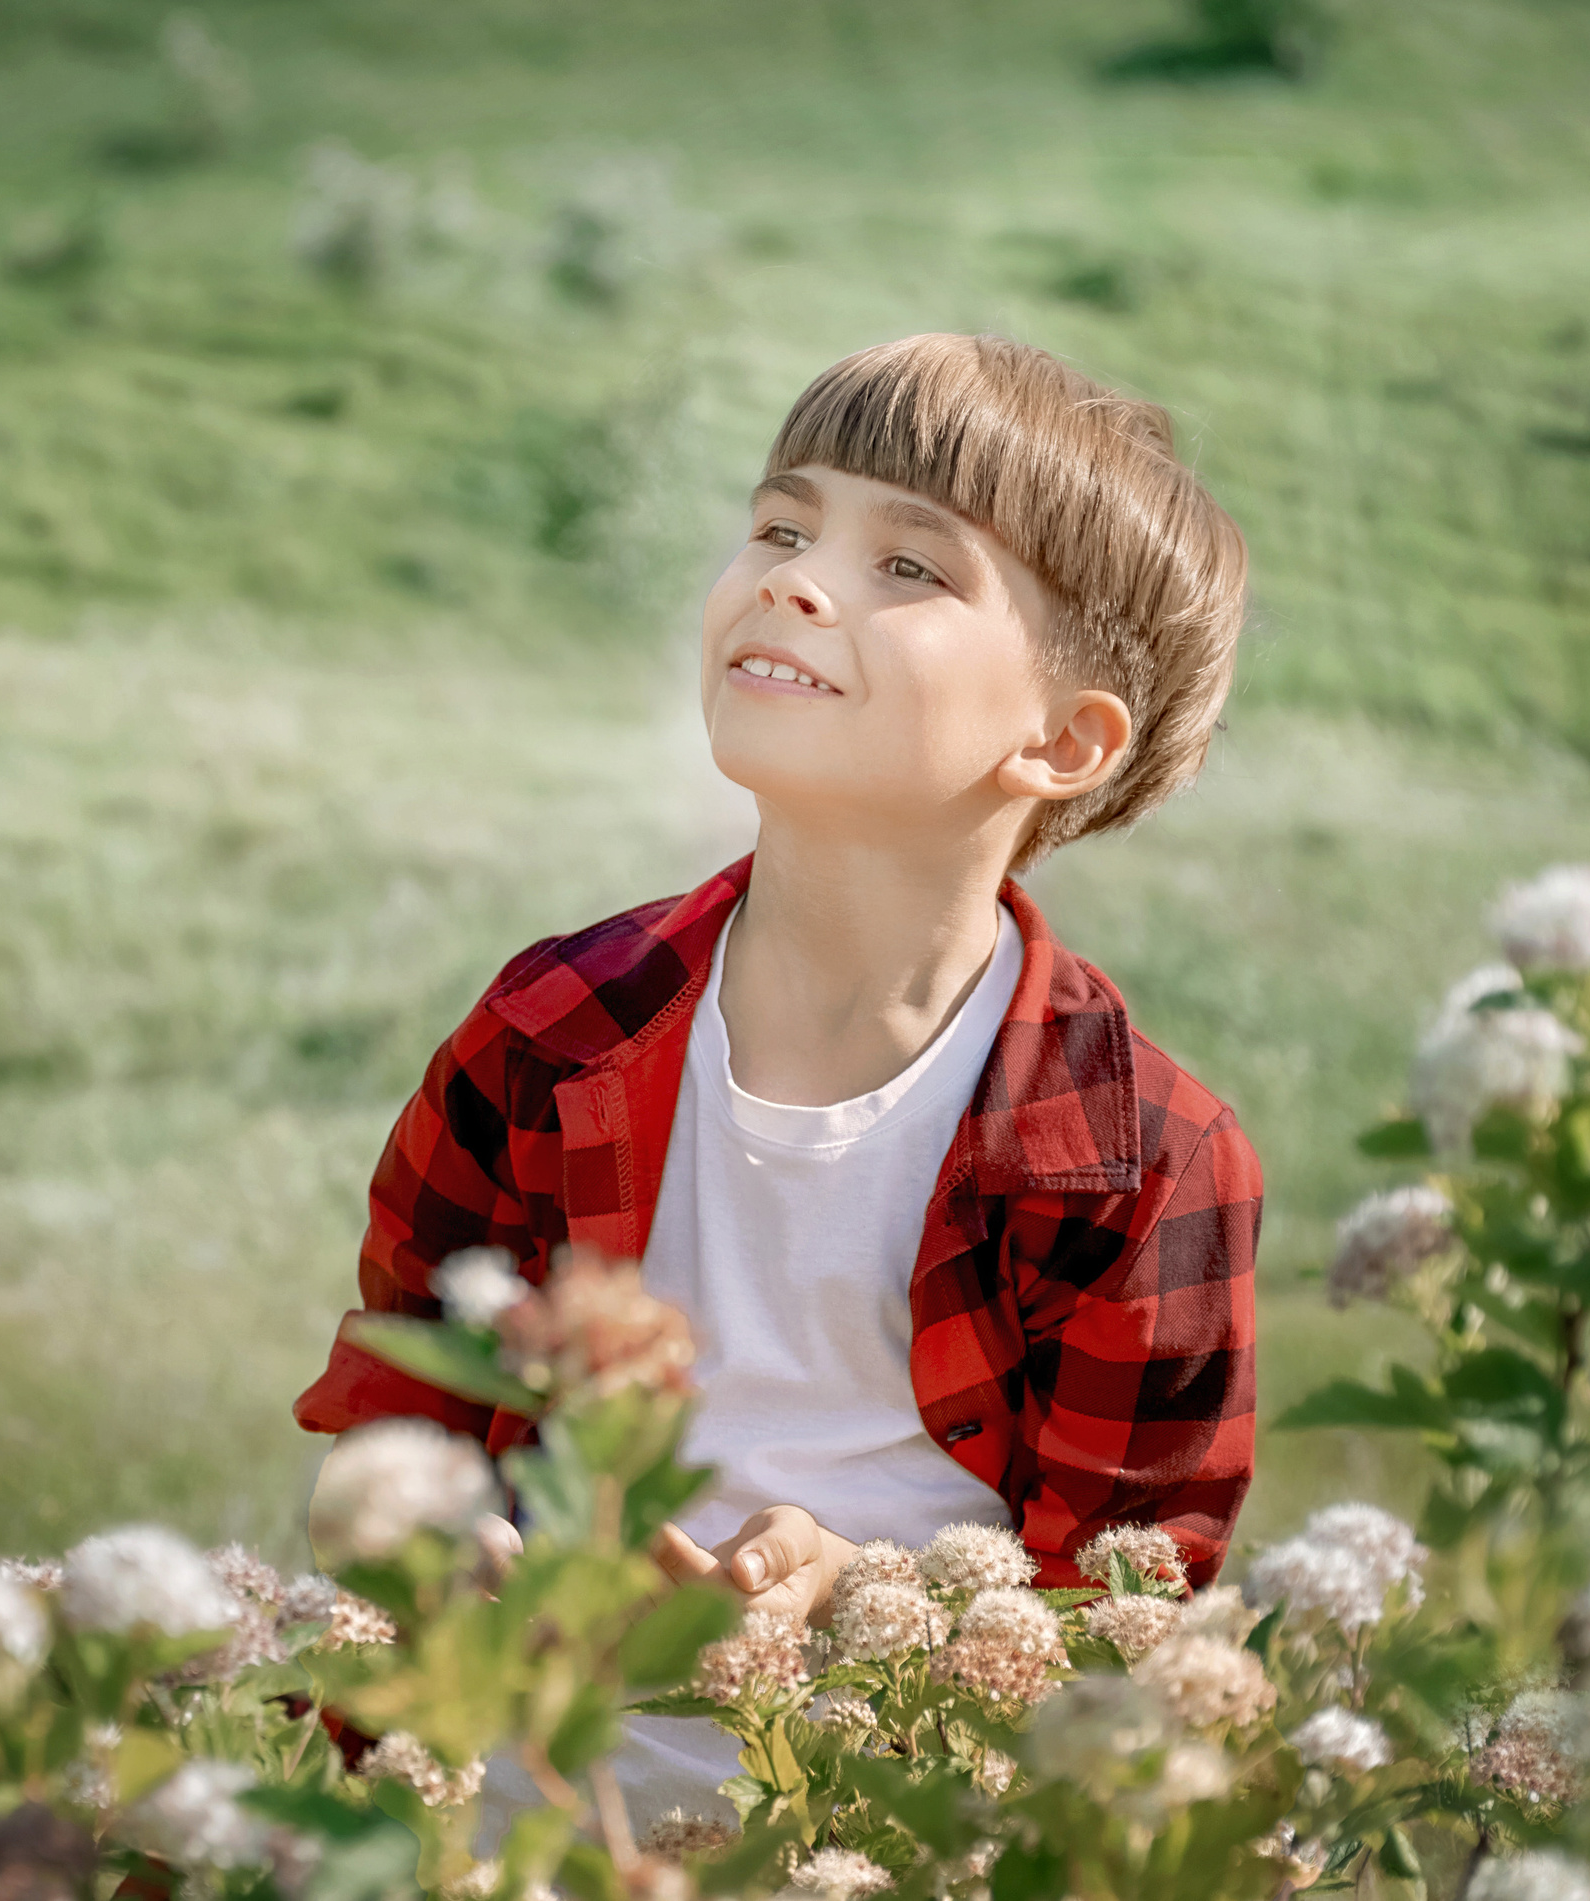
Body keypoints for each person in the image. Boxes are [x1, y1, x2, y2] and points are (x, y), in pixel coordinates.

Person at [293, 332, 1263, 1830]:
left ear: (1064, 740)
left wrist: (869, 1608)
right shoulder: (552, 1027)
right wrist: (429, 1546)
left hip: (872, 1836)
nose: (793, 580)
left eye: (911, 568)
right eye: (781, 525)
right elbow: (389, 1404)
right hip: (506, 1824)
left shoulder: (1146, 1156)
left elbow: (1132, 1622)